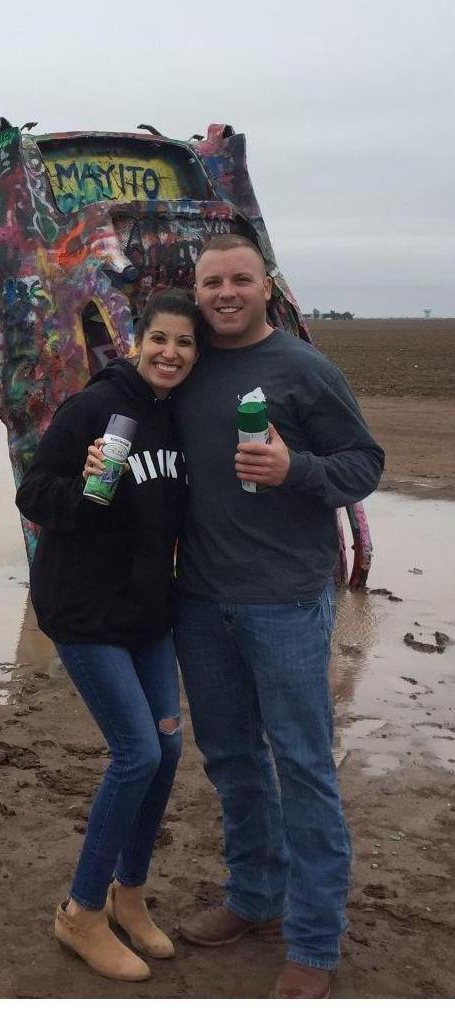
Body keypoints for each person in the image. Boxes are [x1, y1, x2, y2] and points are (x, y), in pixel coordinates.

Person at [170, 234, 384, 998]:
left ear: (266, 287)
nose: (224, 292)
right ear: (194, 291)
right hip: (197, 600)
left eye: (239, 279)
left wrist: (296, 469)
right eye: (210, 282)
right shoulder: (185, 368)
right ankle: (253, 898)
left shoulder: (302, 368)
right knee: (229, 758)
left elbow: (364, 462)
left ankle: (314, 939)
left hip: (287, 601)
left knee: (301, 765)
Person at [15, 288, 199, 982]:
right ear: (136, 340)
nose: (170, 352)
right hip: (84, 611)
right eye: (159, 339)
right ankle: (81, 911)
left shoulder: (177, 418)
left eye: (183, 343)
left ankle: (130, 893)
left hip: (146, 613)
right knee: (134, 753)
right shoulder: (94, 407)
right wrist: (85, 484)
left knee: (168, 746)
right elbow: (34, 493)